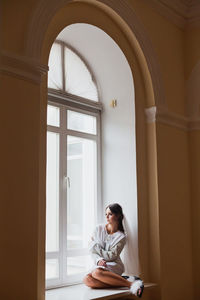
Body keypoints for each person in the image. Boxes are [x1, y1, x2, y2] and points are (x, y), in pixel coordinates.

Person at [83, 203, 144, 297]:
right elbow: (92, 252)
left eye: (110, 214)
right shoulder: (98, 229)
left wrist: (94, 246)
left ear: (118, 216)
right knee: (87, 280)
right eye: (106, 214)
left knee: (97, 273)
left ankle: (132, 285)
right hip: (100, 263)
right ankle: (123, 281)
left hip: (114, 264)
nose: (107, 217)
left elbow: (112, 256)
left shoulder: (121, 237)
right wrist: (98, 260)